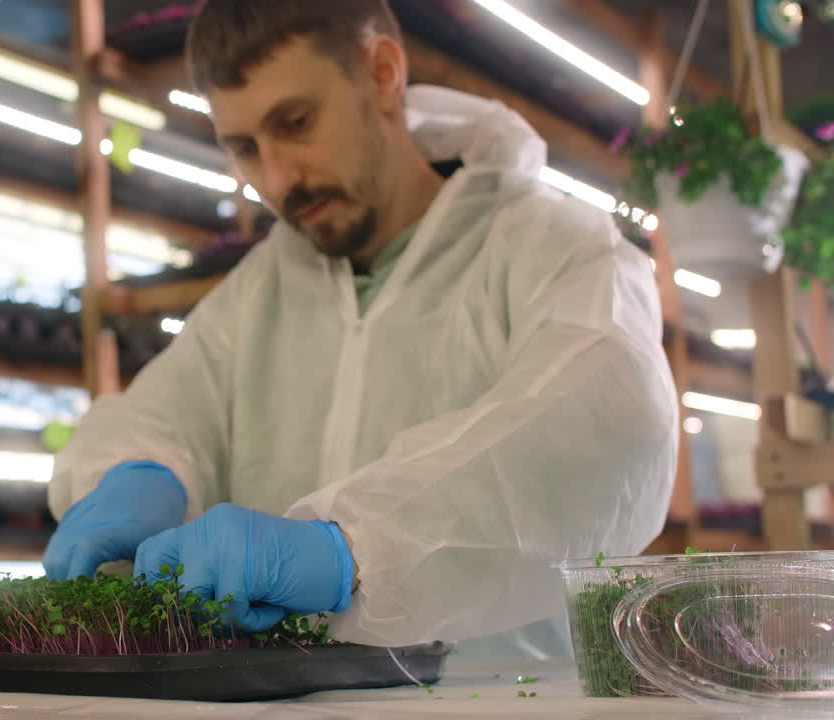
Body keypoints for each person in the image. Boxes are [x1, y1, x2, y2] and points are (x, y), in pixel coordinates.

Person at [43, 0, 678, 651]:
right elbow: (164, 413)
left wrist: (350, 551)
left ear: (381, 72)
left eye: (296, 122)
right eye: (244, 149)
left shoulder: (557, 248)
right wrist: (138, 472)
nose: (278, 178)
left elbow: (603, 426)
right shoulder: (261, 290)